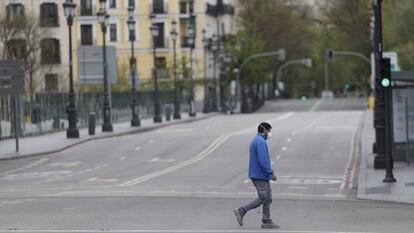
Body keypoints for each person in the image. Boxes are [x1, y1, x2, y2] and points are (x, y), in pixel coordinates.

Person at [234, 122, 279, 229]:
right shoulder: (260, 142)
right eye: (269, 130)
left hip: (260, 175)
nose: (270, 133)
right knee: (263, 198)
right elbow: (263, 160)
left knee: (268, 198)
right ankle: (241, 211)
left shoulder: (258, 140)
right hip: (259, 175)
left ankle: (267, 221)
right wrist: (271, 173)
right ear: (265, 130)